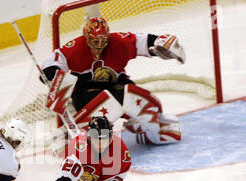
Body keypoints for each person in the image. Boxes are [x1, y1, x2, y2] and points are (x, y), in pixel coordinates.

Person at [42, 16, 183, 146]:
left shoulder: (119, 42)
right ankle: (84, 136)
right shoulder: (75, 47)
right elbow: (50, 64)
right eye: (95, 41)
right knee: (105, 108)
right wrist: (54, 76)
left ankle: (141, 126)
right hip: (86, 90)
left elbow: (143, 41)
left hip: (116, 84)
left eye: (103, 40)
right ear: (86, 37)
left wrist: (160, 43)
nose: (99, 45)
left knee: (142, 99)